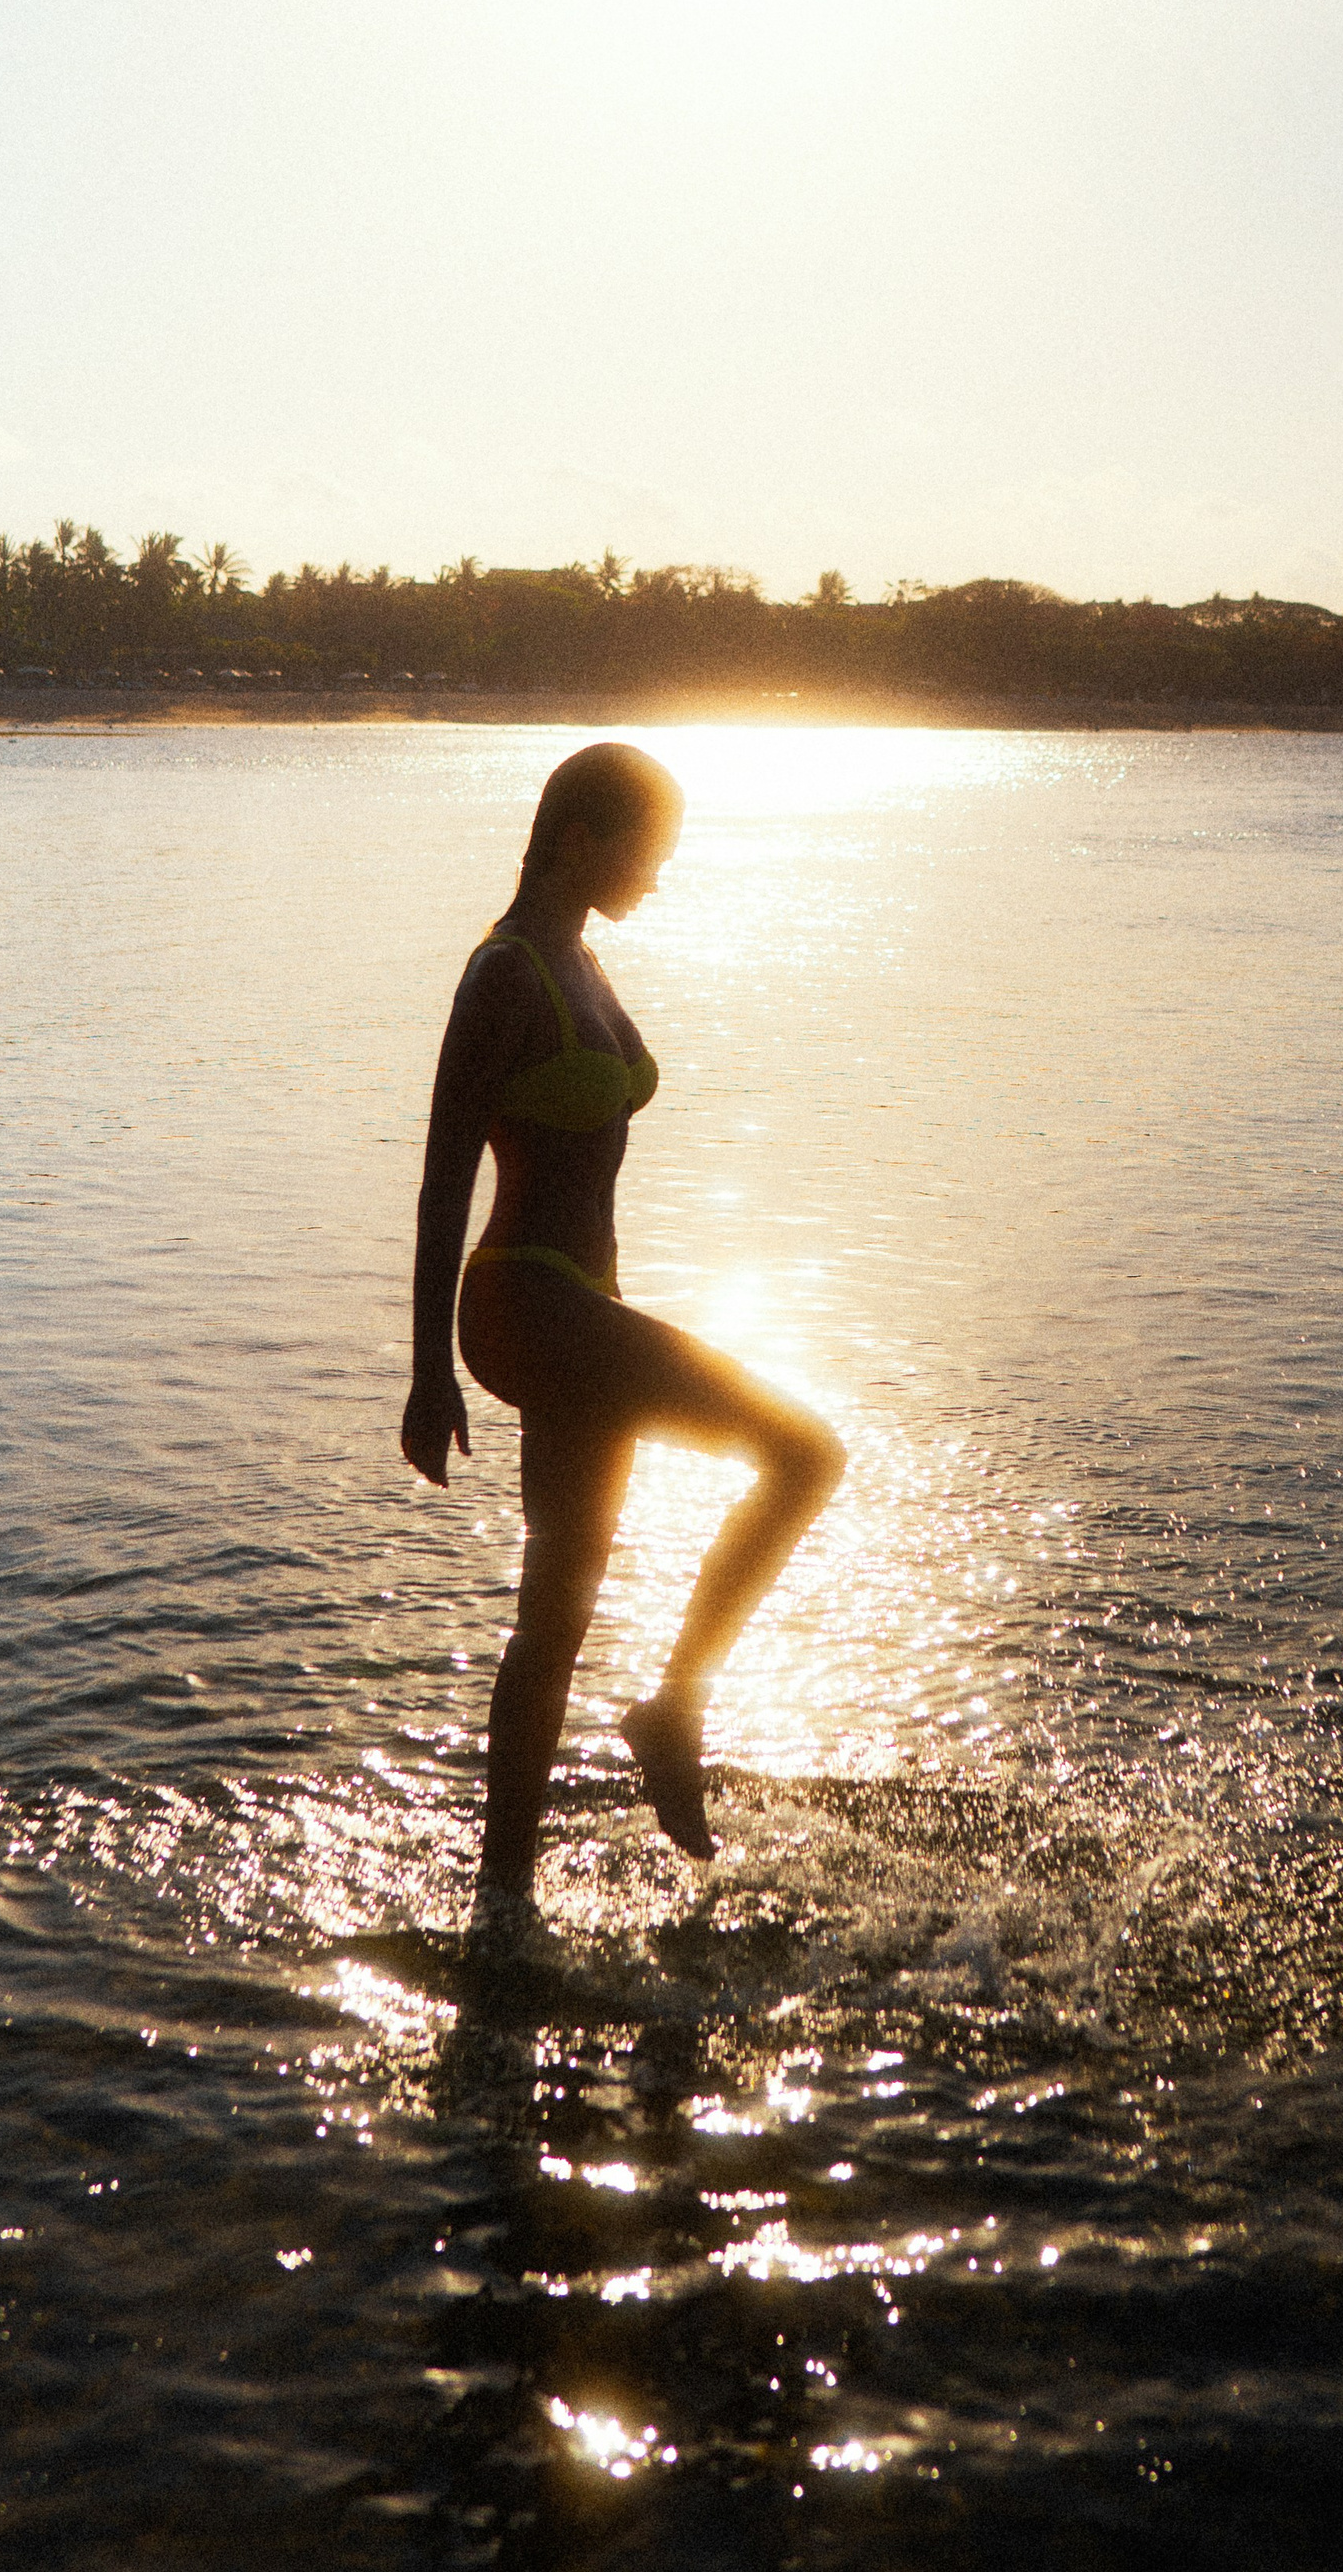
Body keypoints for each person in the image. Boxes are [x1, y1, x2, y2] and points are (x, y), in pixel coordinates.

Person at [400, 743, 846, 1918]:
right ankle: (673, 1706)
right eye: (649, 849)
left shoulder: (579, 960)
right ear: (586, 836)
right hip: (524, 1299)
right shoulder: (504, 972)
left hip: (574, 1306)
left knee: (558, 1600)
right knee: (805, 1453)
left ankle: (502, 1905)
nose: (659, 873)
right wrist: (424, 1369)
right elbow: (445, 1173)